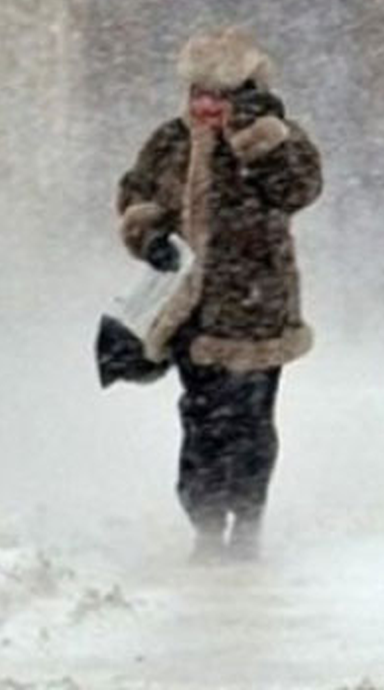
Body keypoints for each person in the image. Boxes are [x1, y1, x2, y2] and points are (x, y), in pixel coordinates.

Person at [115, 28, 323, 562]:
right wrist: (148, 234)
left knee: (252, 424)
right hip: (191, 310)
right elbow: (135, 193)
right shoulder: (170, 142)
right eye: (197, 94)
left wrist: (262, 138)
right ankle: (206, 524)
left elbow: (299, 189)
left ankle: (247, 523)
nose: (205, 107)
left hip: (257, 308)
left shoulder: (275, 141)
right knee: (201, 421)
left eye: (219, 96)